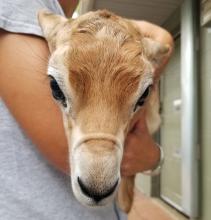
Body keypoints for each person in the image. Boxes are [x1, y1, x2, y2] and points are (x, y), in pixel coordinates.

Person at [0, 0, 173, 219]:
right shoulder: (19, 4)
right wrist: (153, 157)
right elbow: (72, 153)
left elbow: (163, 41)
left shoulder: (64, 22)